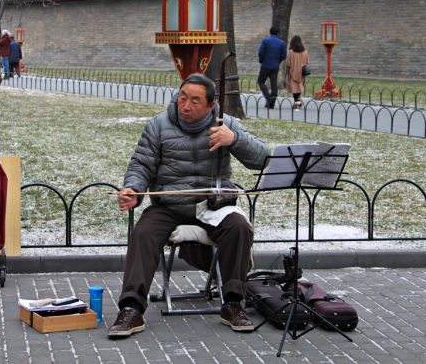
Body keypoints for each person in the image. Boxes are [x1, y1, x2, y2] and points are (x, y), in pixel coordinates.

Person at [108, 73, 270, 339]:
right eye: (183, 98)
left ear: (210, 106)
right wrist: (133, 191)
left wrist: (235, 140)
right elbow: (140, 165)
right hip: (169, 206)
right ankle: (131, 309)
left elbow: (262, 159)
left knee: (239, 227)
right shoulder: (158, 125)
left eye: (195, 101)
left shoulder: (225, 123)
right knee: (143, 234)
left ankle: (232, 303)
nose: (186, 105)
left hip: (214, 205)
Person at [257, 27, 286, 109]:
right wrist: (278, 62)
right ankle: (272, 102)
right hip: (275, 66)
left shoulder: (265, 41)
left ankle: (268, 97)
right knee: (274, 84)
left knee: (261, 81)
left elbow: (261, 52)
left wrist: (261, 60)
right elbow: (283, 55)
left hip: (265, 65)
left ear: (270, 32)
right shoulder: (282, 43)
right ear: (278, 33)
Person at [285, 35, 310, 110]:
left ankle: (297, 104)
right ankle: (298, 103)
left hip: (293, 72)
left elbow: (288, 63)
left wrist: (287, 72)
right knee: (298, 89)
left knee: (295, 90)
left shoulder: (291, 52)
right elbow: (307, 62)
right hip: (302, 73)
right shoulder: (305, 52)